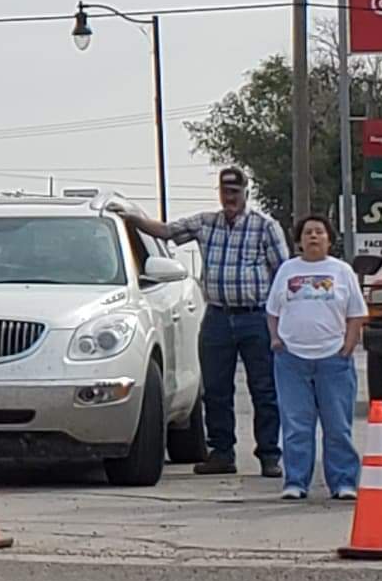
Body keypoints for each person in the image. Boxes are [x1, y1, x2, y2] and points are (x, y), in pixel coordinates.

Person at [120, 170, 289, 476]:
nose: (230, 198)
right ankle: (222, 452)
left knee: (264, 389)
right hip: (217, 317)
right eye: (225, 192)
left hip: (255, 317)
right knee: (215, 389)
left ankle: (269, 455)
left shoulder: (265, 227)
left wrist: (281, 320)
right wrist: (132, 218)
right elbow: (167, 231)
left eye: (235, 192)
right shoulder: (206, 223)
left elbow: (283, 274)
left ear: (246, 193)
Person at [267, 216, 364, 498]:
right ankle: (296, 482)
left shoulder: (342, 271)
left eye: (319, 232)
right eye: (308, 233)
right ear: (299, 240)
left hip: (333, 360)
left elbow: (356, 314)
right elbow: (272, 311)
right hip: (292, 361)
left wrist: (348, 345)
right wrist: (275, 339)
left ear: (329, 239)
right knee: (296, 425)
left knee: (337, 426)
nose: (313, 237)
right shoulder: (287, 270)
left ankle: (344, 482)